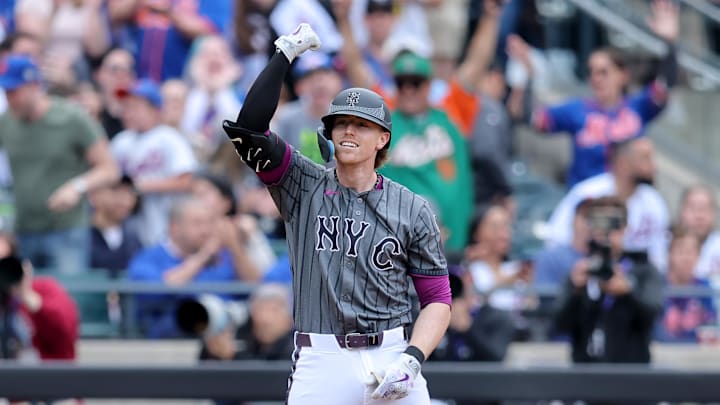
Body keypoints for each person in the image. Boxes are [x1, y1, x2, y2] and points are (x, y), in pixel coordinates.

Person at [221, 23, 451, 403]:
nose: (348, 130)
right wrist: (285, 53)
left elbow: (438, 299)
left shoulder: (412, 206)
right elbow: (248, 129)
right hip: (323, 355)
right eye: (341, 123)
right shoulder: (302, 183)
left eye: (361, 125)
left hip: (391, 350)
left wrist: (412, 359)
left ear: (382, 139)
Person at [532, 0, 679, 188]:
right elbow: (534, 120)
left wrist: (670, 44)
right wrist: (526, 81)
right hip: (587, 204)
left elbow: (665, 86)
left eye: (604, 72)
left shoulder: (638, 107)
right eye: (591, 72)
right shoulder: (576, 110)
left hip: (628, 203)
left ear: (623, 75)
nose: (596, 78)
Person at [0, 54, 120, 275]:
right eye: (6, 93)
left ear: (34, 86)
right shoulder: (7, 122)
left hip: (66, 230)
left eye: (14, 92)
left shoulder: (71, 118)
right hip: (24, 230)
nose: (10, 99)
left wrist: (77, 187)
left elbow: (110, 169)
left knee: (66, 301)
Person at [128, 197, 261, 338]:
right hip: (173, 342)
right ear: (174, 227)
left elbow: (256, 286)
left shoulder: (226, 255)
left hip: (228, 336)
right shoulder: (148, 259)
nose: (206, 230)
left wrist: (234, 245)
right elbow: (163, 288)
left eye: (210, 223)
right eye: (197, 223)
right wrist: (204, 255)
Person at [553, 196, 664, 364]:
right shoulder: (581, 271)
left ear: (625, 227)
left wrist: (628, 292)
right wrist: (575, 291)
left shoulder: (643, 269)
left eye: (613, 223)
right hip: (586, 372)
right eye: (599, 223)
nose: (606, 232)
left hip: (631, 373)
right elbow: (559, 324)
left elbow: (654, 313)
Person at [545, 137, 670, 271]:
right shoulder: (587, 193)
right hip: (578, 273)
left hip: (632, 282)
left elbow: (659, 259)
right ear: (623, 163)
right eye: (645, 158)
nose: (654, 166)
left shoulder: (655, 204)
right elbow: (555, 240)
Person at [111, 79, 198, 246]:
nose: (129, 112)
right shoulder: (120, 141)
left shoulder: (169, 138)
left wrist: (143, 186)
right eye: (126, 106)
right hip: (128, 226)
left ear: (155, 111)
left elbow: (187, 181)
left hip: (163, 224)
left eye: (135, 107)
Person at [655, 229, 716, 343]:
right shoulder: (656, 285)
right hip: (661, 354)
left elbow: (710, 328)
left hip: (695, 356)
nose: (686, 258)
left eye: (691, 252)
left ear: (698, 256)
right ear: (670, 254)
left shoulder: (705, 288)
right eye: (681, 251)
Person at [88, 174, 142, 278]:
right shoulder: (78, 237)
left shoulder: (133, 238)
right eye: (116, 191)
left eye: (129, 193)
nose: (125, 200)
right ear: (93, 195)